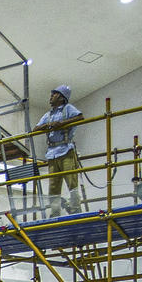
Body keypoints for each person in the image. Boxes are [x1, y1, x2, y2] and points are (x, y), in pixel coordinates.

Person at [33, 84, 84, 216]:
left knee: (71, 181)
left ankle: (75, 209)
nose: (51, 97)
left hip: (66, 150)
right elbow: (35, 129)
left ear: (61, 98)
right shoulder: (48, 115)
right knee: (53, 186)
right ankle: (55, 212)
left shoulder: (68, 109)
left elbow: (80, 117)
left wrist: (62, 123)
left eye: (54, 94)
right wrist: (47, 125)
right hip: (52, 153)